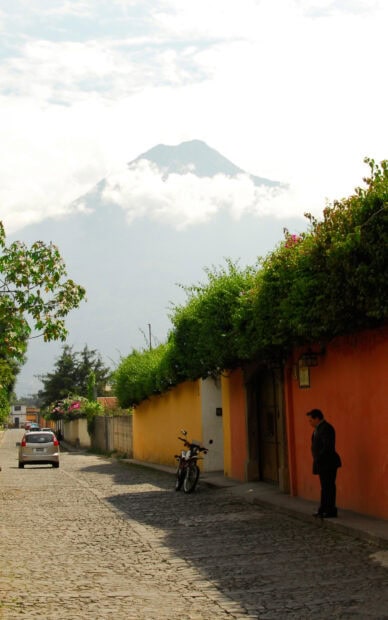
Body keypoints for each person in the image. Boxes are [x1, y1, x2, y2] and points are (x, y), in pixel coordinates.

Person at [306, 408, 341, 518]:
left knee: (329, 486)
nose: (309, 423)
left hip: (328, 463)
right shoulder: (318, 429)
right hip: (321, 463)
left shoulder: (326, 428)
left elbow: (327, 447)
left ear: (317, 418)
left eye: (311, 420)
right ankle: (323, 508)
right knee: (324, 486)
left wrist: (319, 458)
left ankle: (330, 510)